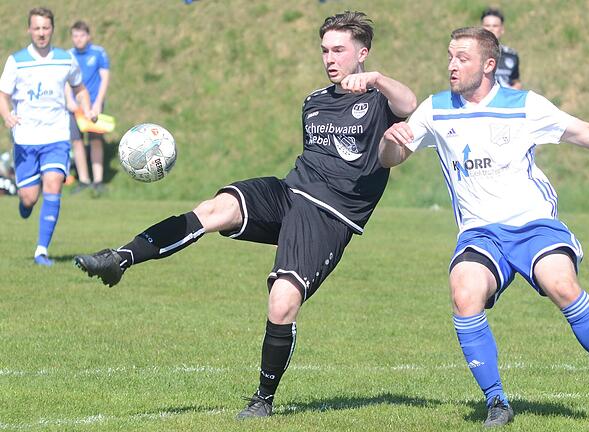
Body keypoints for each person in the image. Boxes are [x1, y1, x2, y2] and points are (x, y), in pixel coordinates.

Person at [74, 11, 416, 419]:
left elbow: (409, 103)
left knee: (282, 301)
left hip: (329, 215)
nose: (329, 58)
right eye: (324, 50)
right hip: (289, 193)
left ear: (362, 52)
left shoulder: (379, 101)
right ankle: (120, 259)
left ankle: (263, 400)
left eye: (338, 50)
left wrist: (376, 79)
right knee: (215, 208)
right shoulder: (314, 102)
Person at [379, 27, 589, 427]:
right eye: (450, 56)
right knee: (464, 293)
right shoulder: (436, 108)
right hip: (480, 233)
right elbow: (392, 158)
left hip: (533, 226)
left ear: (489, 65)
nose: (452, 65)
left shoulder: (524, 105)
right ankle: (497, 402)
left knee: (561, 284)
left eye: (462, 58)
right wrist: (390, 140)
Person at [0, 7, 94, 266]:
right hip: (26, 139)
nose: (41, 33)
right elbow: (3, 95)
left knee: (53, 185)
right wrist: (7, 116)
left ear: (52, 29)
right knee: (29, 197)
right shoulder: (16, 60)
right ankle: (26, 203)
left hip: (56, 136)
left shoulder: (65, 59)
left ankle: (41, 250)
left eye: (46, 27)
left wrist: (88, 108)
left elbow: (80, 88)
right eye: (37, 28)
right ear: (29, 29)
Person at [65, 20, 111, 195]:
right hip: (75, 107)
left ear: (88, 36)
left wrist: (98, 102)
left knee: (95, 140)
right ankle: (83, 180)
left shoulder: (98, 53)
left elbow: (104, 78)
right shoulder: (69, 55)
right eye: (75, 36)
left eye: (82, 35)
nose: (78, 39)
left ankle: (98, 181)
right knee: (77, 142)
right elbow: (66, 81)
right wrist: (69, 100)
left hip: (94, 106)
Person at [480, 7, 521, 89]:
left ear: (502, 29)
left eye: (495, 26)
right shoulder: (472, 54)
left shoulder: (512, 55)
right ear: (481, 29)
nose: (491, 29)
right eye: (487, 26)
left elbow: (516, 82)